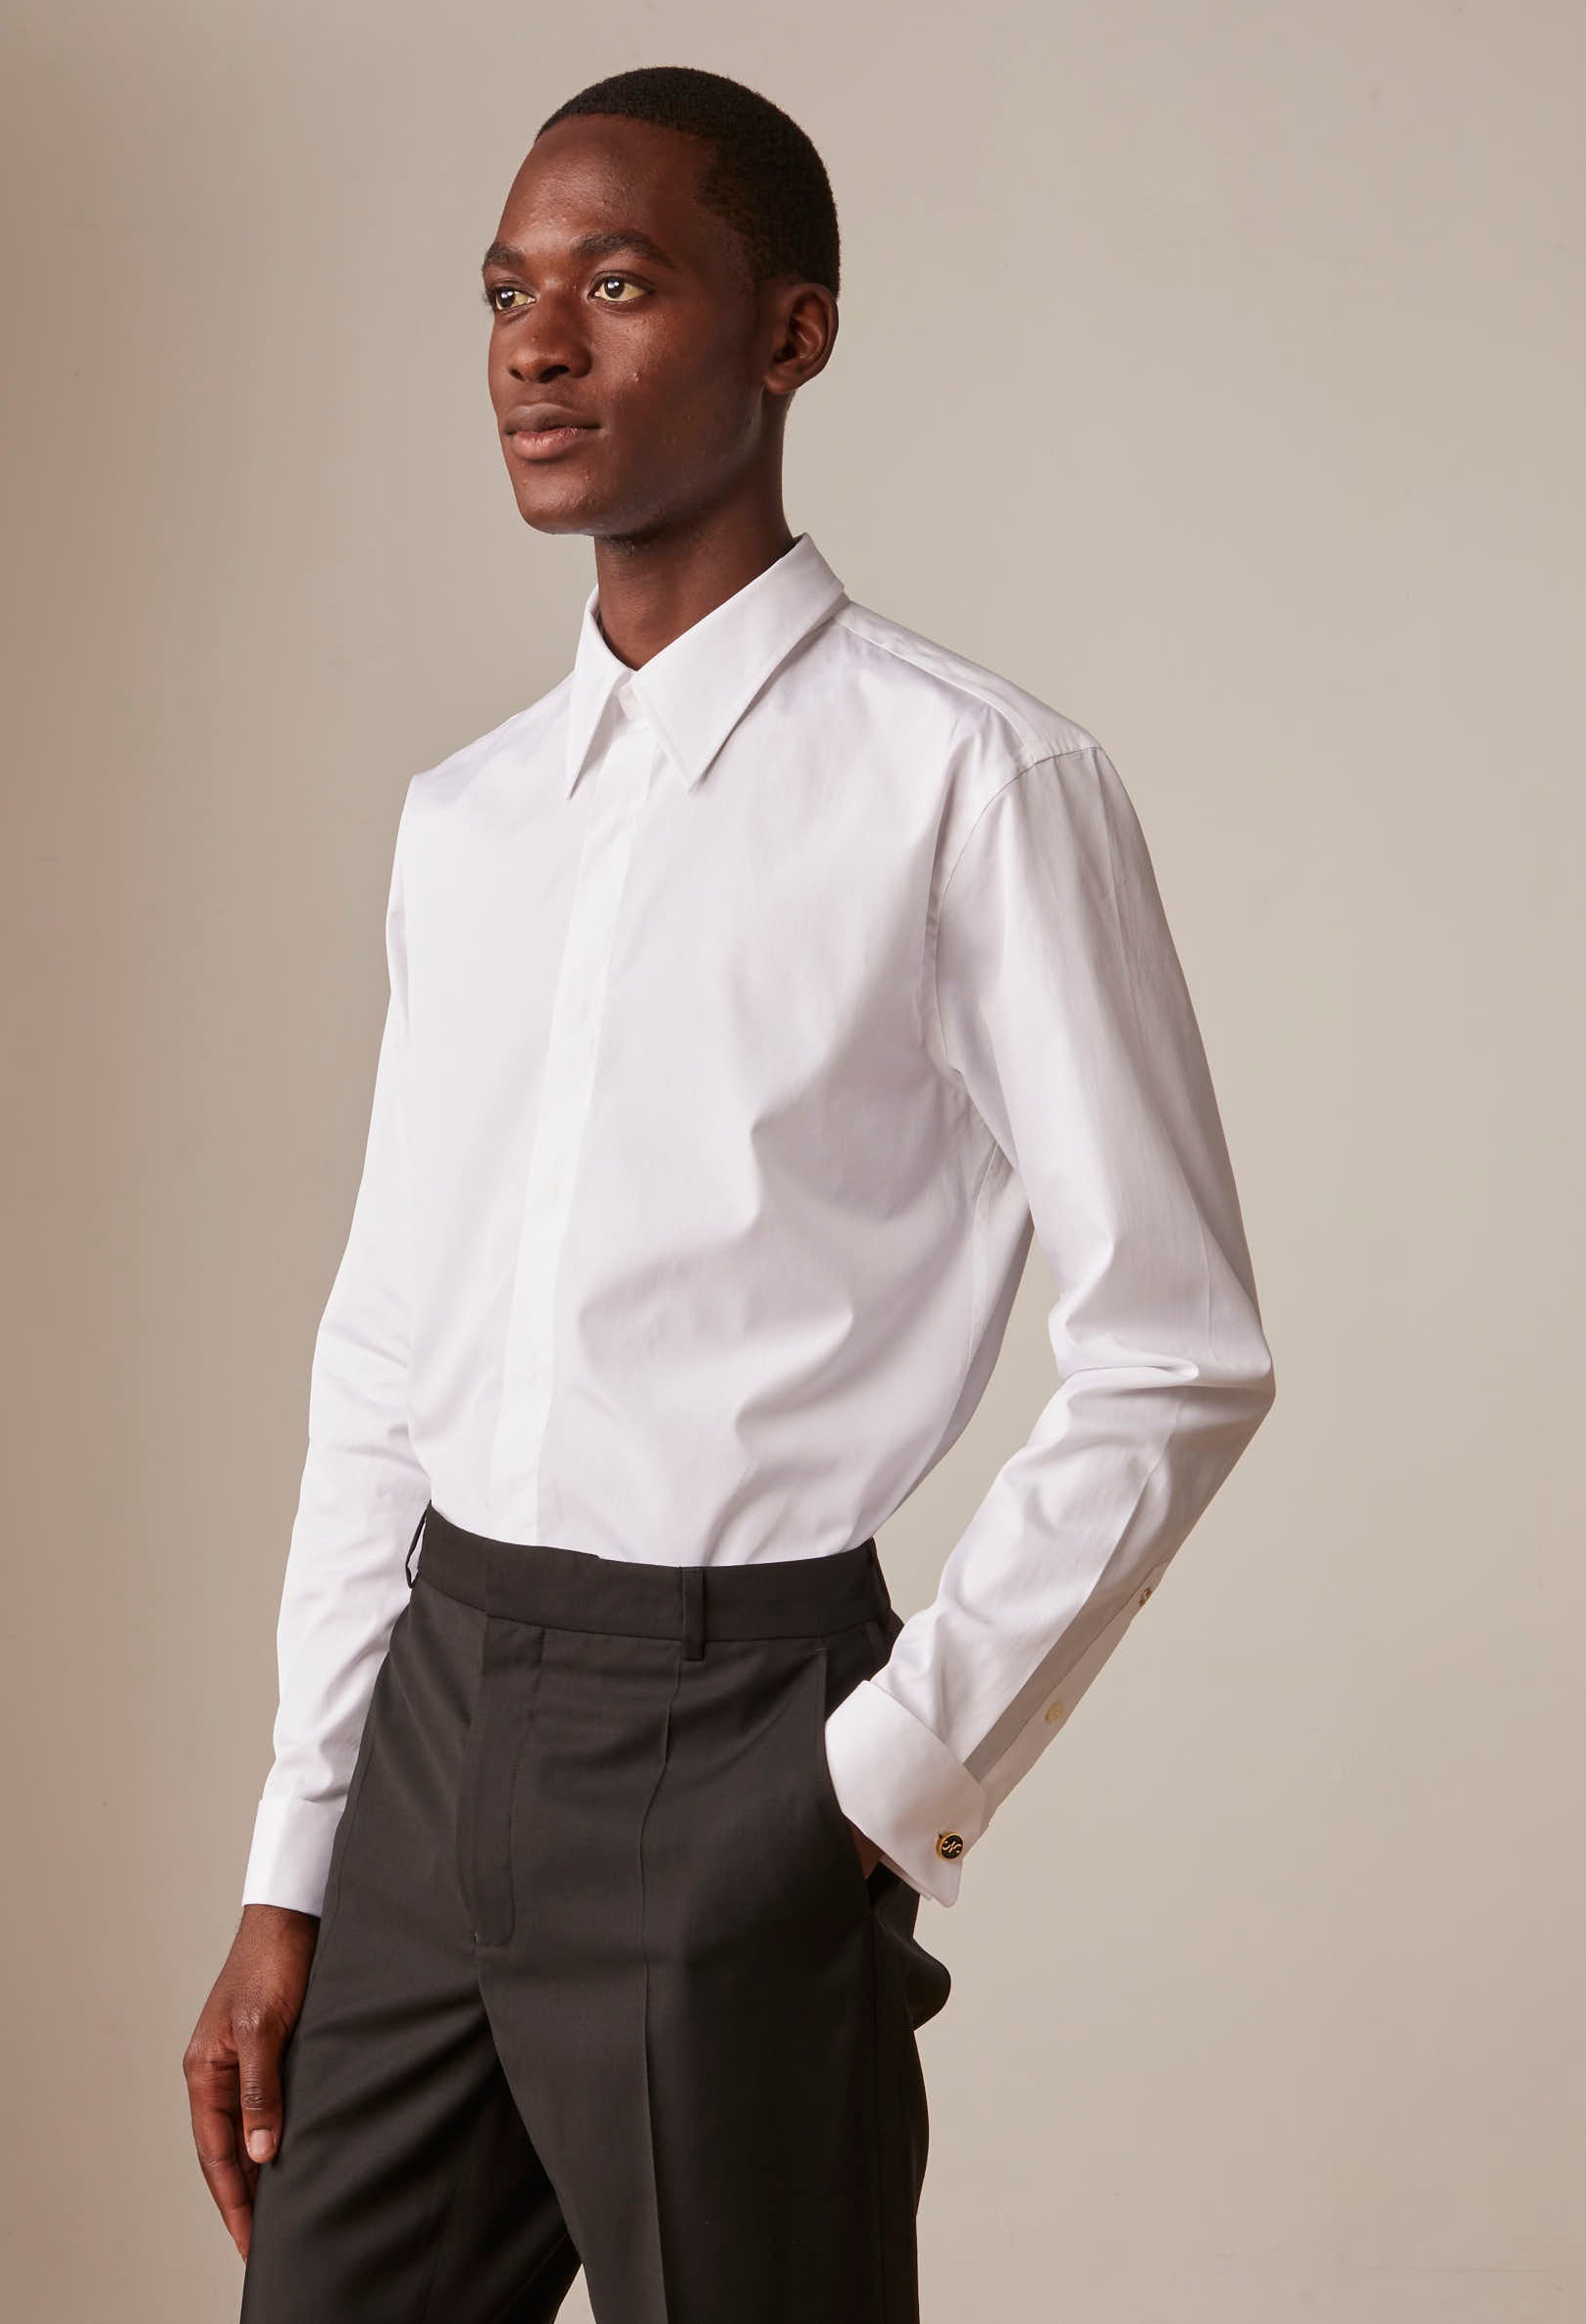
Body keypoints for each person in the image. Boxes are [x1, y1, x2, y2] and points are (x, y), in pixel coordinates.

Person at [184, 62, 1276, 2324]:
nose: (535, 346)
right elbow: (387, 1349)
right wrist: (298, 1856)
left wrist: (878, 1783)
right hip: (433, 1731)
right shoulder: (468, 824)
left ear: (791, 335)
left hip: (739, 1732)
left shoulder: (973, 789)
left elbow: (1176, 1350)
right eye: (505, 291)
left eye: (616, 285)